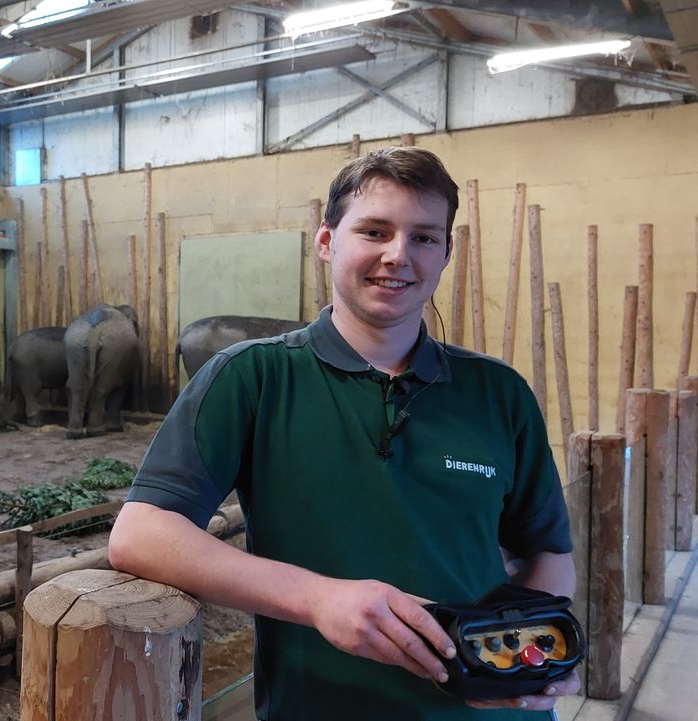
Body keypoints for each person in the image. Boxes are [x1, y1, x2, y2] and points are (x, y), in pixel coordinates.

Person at [108, 147, 577, 720]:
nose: (398, 255)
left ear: (446, 253)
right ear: (327, 242)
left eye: (425, 237)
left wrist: (523, 658)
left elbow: (548, 554)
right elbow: (141, 535)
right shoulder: (254, 378)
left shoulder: (499, 393)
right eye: (374, 231)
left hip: (490, 710)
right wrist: (318, 599)